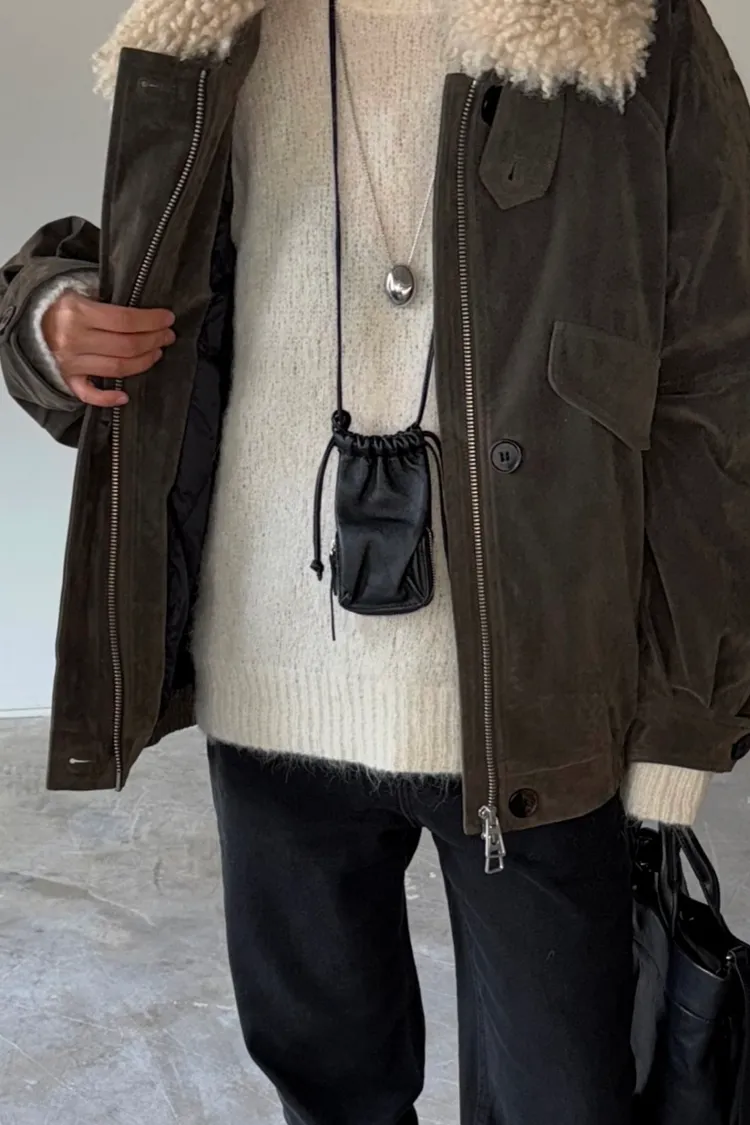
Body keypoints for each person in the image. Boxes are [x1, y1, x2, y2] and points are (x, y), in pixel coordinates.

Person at [3, 0, 750, 1120]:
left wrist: (684, 719)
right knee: (328, 1087)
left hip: (539, 691)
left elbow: (718, 375)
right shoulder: (209, 21)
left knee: (563, 1095)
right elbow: (155, 285)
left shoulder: (622, 21)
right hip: (268, 667)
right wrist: (51, 319)